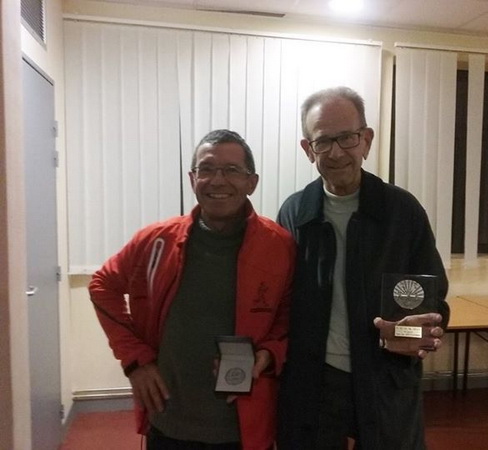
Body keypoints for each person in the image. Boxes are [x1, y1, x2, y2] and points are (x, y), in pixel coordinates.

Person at [89, 129, 295, 450]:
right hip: (168, 420)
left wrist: (268, 354)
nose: (217, 180)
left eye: (231, 170)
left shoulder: (279, 246)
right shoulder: (156, 240)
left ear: (251, 182)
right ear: (192, 178)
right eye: (207, 169)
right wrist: (136, 361)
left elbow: (289, 318)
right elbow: (103, 285)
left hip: (244, 427)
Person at [276, 87, 450, 450]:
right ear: (308, 149)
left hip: (384, 375)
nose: (337, 152)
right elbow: (284, 300)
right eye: (323, 141)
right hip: (315, 381)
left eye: (348, 138)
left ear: (366, 140)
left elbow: (433, 298)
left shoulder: (402, 211)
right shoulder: (295, 213)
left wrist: (416, 333)